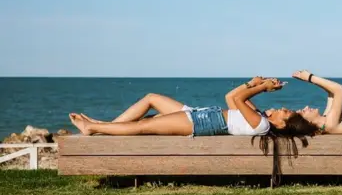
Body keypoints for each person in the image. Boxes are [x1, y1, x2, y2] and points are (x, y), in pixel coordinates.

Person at [68, 76, 302, 137]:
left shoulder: (261, 125)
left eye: (285, 112)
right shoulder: (259, 117)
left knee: (143, 125)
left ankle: (93, 128)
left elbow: (239, 101)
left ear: (282, 125)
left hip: (202, 123)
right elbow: (231, 97)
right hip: (200, 114)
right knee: (151, 98)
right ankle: (102, 126)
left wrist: (263, 88)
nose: (282, 108)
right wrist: (252, 83)